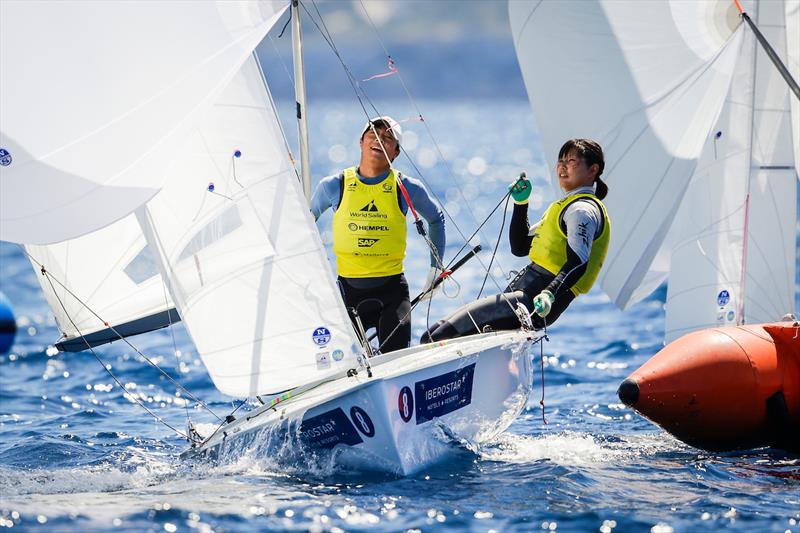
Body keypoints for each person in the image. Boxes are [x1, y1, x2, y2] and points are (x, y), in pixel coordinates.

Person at [423, 138, 610, 342]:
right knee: (434, 333)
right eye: (560, 160)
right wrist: (521, 204)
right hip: (523, 296)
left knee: (437, 337)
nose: (562, 166)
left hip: (534, 302)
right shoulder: (566, 207)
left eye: (572, 161)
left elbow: (578, 262)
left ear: (593, 170)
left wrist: (549, 293)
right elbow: (520, 247)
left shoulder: (582, 211)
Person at [311, 116, 446, 353]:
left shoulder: (406, 187)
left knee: (394, 361)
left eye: (388, 138)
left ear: (396, 152)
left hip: (392, 295)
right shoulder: (334, 185)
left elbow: (436, 218)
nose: (380, 139)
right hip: (347, 295)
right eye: (373, 133)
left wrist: (436, 269)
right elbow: (305, 224)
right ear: (361, 142)